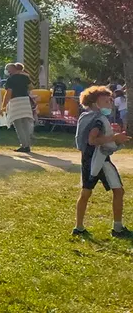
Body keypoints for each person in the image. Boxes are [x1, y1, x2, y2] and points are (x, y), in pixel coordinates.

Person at [72, 86, 131, 238]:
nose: (110, 104)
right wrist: (114, 138)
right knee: (117, 191)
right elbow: (93, 140)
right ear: (94, 102)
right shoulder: (97, 119)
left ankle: (79, 227)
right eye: (106, 101)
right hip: (100, 159)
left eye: (110, 100)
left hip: (88, 160)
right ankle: (117, 228)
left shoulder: (87, 117)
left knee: (86, 192)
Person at [1, 63, 34, 153]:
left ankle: (24, 145)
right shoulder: (25, 77)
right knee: (26, 124)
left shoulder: (10, 79)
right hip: (25, 101)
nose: (7, 71)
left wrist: (4, 105)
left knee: (18, 124)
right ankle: (28, 144)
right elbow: (31, 87)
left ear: (11, 69)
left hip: (16, 102)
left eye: (7, 69)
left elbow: (8, 93)